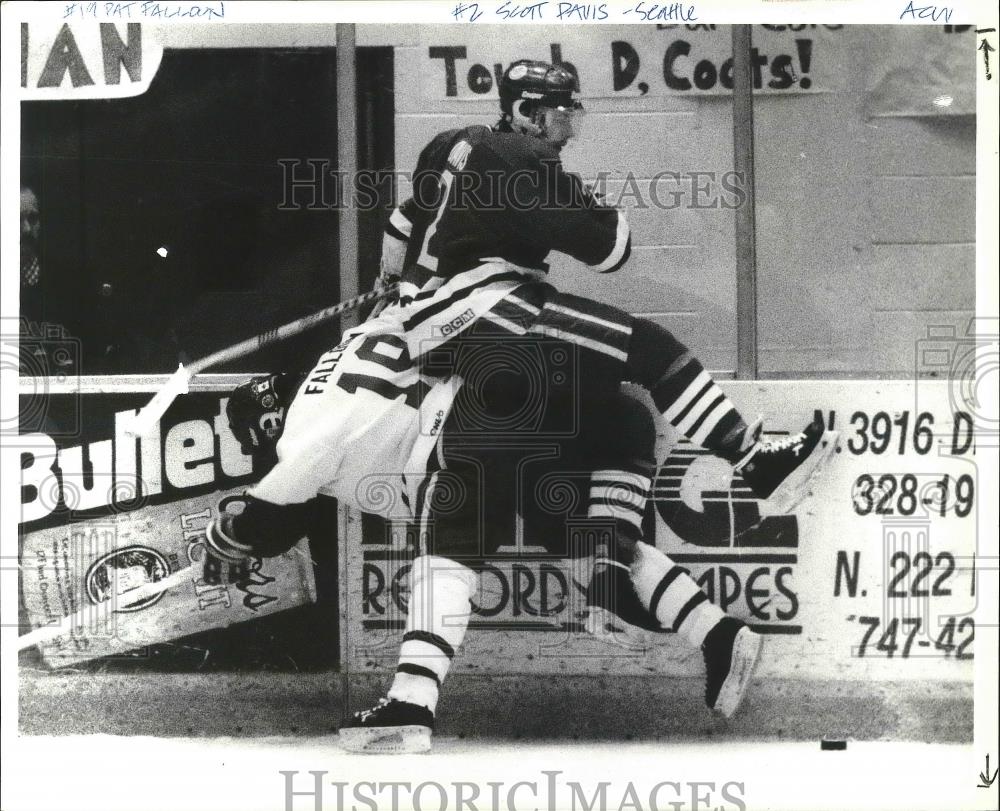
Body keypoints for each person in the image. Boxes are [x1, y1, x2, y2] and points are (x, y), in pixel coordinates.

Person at [199, 306, 830, 754]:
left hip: (466, 440)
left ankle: (411, 705)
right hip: (544, 415)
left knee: (445, 555)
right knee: (588, 534)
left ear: (266, 421)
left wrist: (228, 536)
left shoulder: (304, 423)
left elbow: (279, 499)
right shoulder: (366, 332)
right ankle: (717, 634)